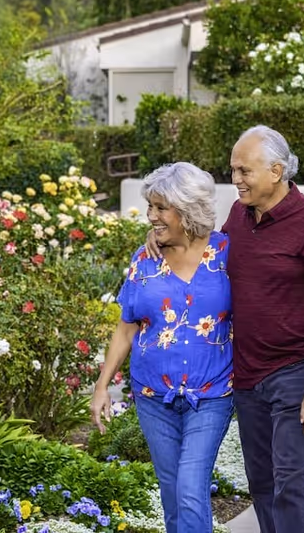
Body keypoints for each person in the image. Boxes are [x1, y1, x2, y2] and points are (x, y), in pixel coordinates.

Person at [146, 125, 304, 533]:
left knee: (291, 480)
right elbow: (204, 252)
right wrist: (159, 235)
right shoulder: (240, 214)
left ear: (276, 171)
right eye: (233, 170)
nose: (235, 180)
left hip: (295, 372)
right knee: (263, 485)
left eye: (243, 171)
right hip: (248, 376)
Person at [91, 162, 234, 533]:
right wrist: (102, 385)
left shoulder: (226, 254)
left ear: (186, 210)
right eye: (150, 207)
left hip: (213, 392)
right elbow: (125, 328)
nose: (151, 216)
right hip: (154, 395)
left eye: (160, 208)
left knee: (190, 488)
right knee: (173, 495)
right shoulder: (145, 260)